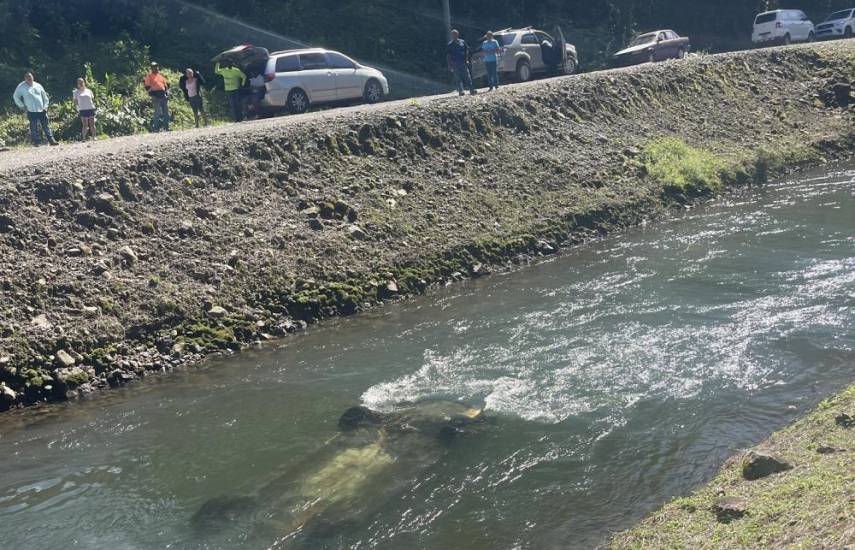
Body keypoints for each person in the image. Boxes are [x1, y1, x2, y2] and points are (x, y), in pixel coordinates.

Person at [12, 72, 58, 146]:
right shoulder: (21, 87)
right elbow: (15, 96)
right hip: (31, 110)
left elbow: (45, 97)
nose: (29, 79)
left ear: (33, 77)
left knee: (46, 126)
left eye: (30, 77)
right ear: (25, 79)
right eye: (27, 78)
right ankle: (36, 142)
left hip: (42, 109)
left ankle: (52, 140)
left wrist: (45, 106)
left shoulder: (38, 85)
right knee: (33, 127)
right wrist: (21, 106)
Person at [447, 29, 476, 96]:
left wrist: (467, 59)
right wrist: (449, 65)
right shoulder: (450, 44)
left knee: (467, 77)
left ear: (458, 34)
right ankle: (461, 91)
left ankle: (472, 90)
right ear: (451, 36)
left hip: (463, 62)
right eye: (453, 34)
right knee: (458, 78)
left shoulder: (462, 42)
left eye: (455, 34)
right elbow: (448, 55)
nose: (454, 36)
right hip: (455, 63)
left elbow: (467, 51)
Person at [143, 62, 170, 132]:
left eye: (156, 66)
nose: (155, 68)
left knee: (166, 112)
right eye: (154, 67)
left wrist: (167, 93)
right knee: (157, 112)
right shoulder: (149, 76)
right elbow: (147, 87)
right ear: (151, 68)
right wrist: (152, 95)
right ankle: (156, 128)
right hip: (155, 95)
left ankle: (166, 127)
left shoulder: (160, 76)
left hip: (163, 95)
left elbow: (166, 86)